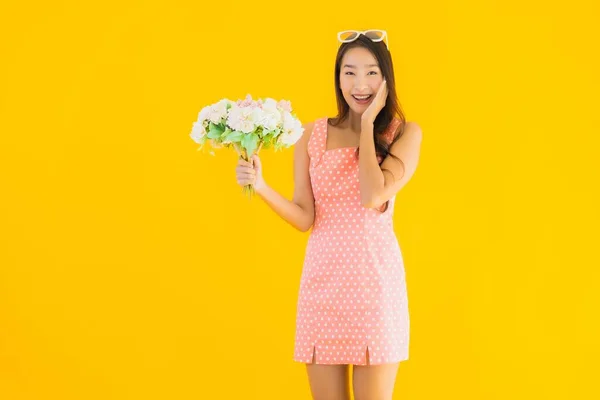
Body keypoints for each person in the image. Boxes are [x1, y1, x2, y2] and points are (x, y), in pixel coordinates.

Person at [235, 29, 423, 400]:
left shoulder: (405, 133)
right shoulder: (310, 134)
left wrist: (368, 126)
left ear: (386, 79)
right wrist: (261, 186)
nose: (360, 83)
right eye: (349, 72)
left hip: (375, 289)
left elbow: (372, 194)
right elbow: (306, 217)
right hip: (323, 288)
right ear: (338, 79)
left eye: (371, 72)